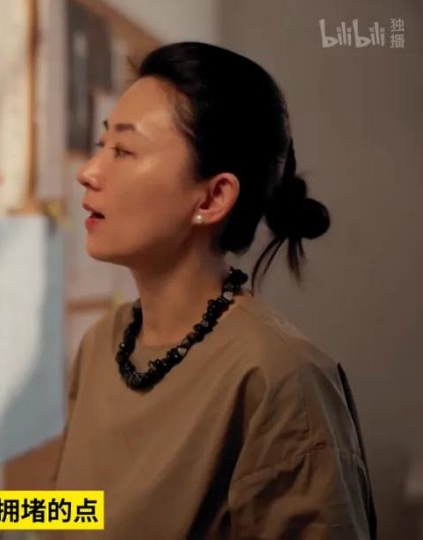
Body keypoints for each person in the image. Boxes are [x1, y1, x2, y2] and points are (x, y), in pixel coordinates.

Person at [53, 41, 377, 539]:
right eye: (102, 145)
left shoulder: (281, 378)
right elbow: (79, 514)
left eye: (123, 151)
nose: (89, 172)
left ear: (212, 197)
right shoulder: (103, 343)